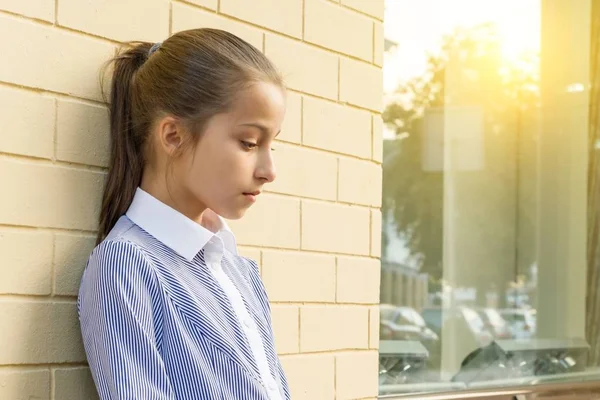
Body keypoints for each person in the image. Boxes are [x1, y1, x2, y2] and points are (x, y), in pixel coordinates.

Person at [77, 28, 289, 400]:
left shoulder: (238, 269)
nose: (269, 170)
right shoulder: (125, 266)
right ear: (173, 135)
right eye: (249, 143)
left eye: (272, 144)